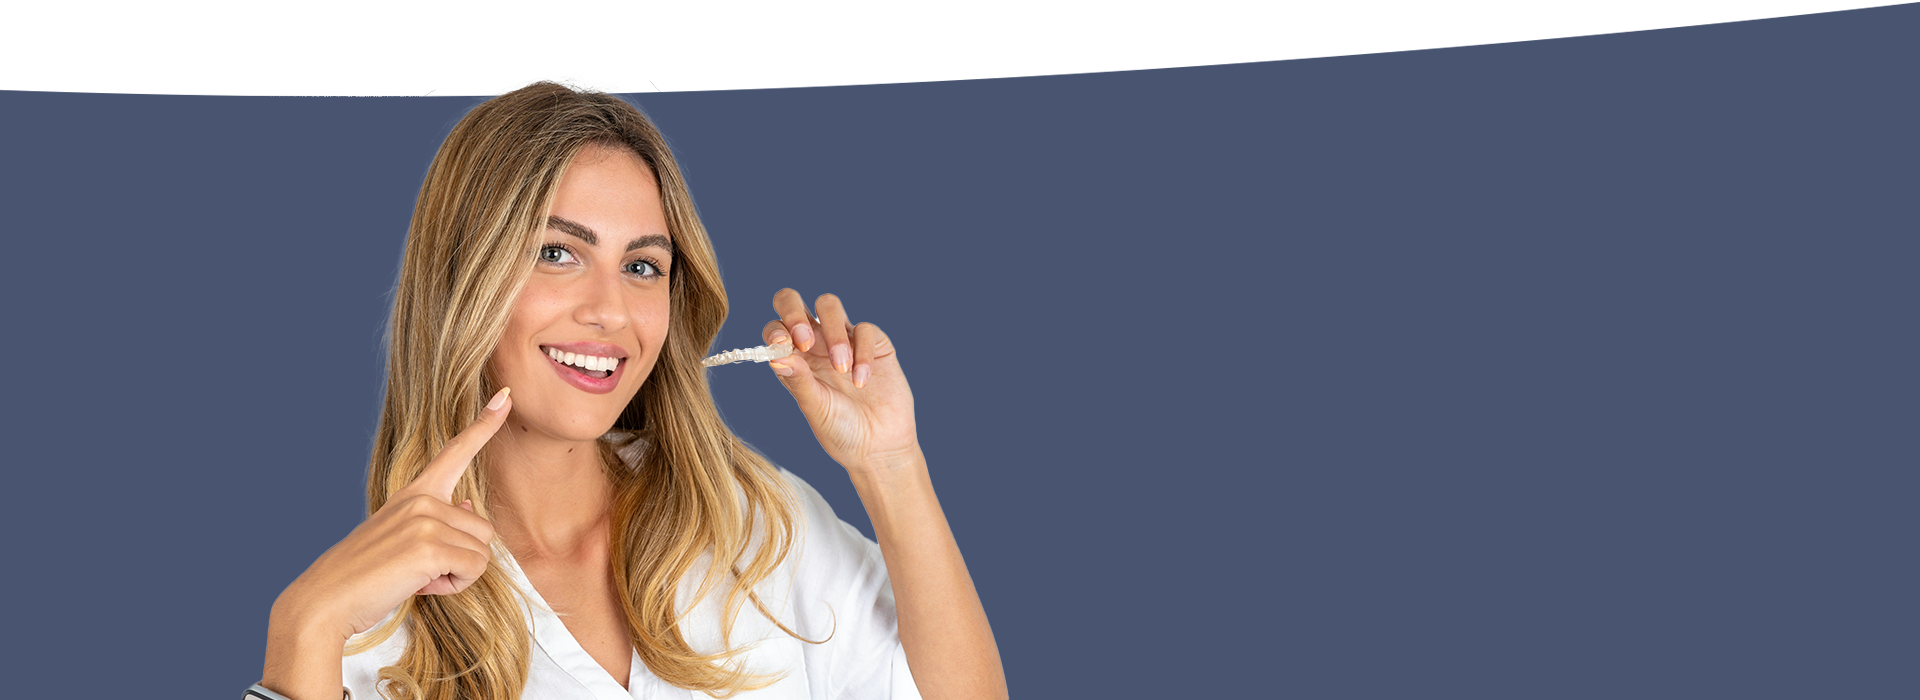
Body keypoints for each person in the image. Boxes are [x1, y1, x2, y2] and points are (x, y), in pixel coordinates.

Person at [253, 80, 1006, 700]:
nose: (611, 311)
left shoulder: (754, 525)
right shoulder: (370, 630)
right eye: (557, 252)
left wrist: (890, 465)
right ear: (462, 278)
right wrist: (303, 630)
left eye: (643, 266)